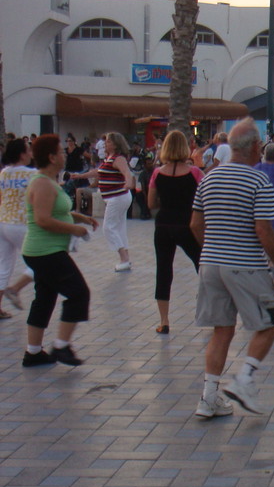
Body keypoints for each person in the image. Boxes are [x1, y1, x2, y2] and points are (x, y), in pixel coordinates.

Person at [190, 119, 274, 417]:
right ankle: (244, 379)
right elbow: (264, 231)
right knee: (271, 321)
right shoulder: (258, 181)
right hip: (246, 264)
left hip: (210, 264)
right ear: (256, 147)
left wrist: (213, 246)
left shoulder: (209, 178)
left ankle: (209, 397)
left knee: (222, 330)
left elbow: (195, 224)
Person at [21, 135, 98, 367]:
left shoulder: (46, 181)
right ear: (52, 157)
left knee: (44, 298)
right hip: (46, 251)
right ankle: (61, 346)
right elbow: (43, 219)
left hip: (41, 251)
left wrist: (79, 216)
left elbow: (54, 211)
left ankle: (33, 353)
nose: (65, 155)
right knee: (78, 293)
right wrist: (74, 229)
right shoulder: (43, 183)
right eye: (61, 152)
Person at [148, 130, 203, 335]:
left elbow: (151, 203)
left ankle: (164, 321)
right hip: (187, 225)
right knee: (202, 264)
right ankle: (208, 309)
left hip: (163, 225)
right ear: (185, 147)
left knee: (163, 270)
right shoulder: (195, 173)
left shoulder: (157, 173)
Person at [70, 132, 134, 271]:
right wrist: (80, 176)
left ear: (116, 144)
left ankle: (124, 258)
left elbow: (127, 173)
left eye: (109, 142)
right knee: (119, 227)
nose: (106, 144)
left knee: (108, 227)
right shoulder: (108, 158)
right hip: (115, 197)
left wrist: (128, 183)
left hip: (118, 197)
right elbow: (97, 172)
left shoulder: (118, 158)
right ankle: (125, 258)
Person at [0, 139, 36, 317]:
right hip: (22, 224)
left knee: (3, 266)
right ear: (22, 154)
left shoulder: (4, 173)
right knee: (41, 260)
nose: (31, 153)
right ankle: (16, 288)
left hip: (3, 222)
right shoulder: (32, 174)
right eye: (28, 150)